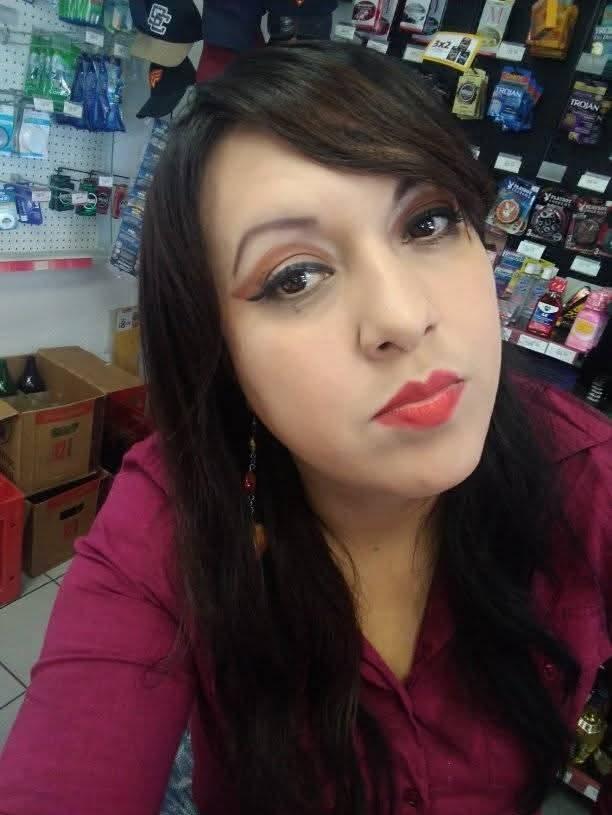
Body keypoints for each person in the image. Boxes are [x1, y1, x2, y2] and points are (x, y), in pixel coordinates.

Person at [0, 42, 611, 815]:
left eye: (428, 222)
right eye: (295, 276)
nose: (402, 317)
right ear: (218, 349)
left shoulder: (585, 472)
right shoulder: (173, 517)